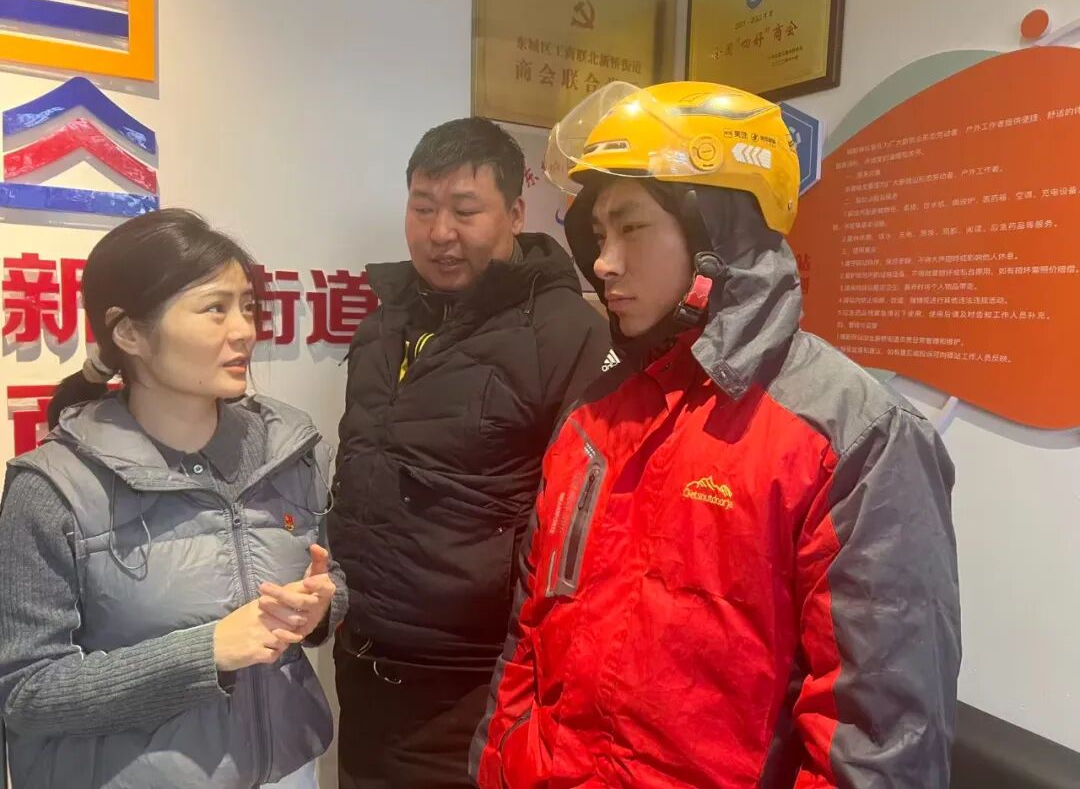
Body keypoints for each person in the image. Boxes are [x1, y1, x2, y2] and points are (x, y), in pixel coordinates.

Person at [472, 81, 962, 788]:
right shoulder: (593, 415)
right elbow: (529, 636)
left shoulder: (853, 437)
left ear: (717, 232)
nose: (604, 262)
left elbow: (878, 742)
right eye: (599, 235)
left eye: (632, 227)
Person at [0, 209, 347, 789]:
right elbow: (27, 692)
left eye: (247, 306)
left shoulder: (289, 447)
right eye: (215, 309)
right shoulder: (53, 488)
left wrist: (319, 610)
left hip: (287, 769)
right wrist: (205, 653)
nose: (244, 330)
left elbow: (327, 575)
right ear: (128, 333)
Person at [328, 117, 611, 787]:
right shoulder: (385, 322)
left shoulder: (567, 333)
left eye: (464, 210)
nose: (439, 233)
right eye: (423, 207)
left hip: (474, 691)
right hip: (363, 669)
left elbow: (585, 528)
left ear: (514, 213)